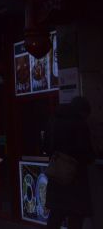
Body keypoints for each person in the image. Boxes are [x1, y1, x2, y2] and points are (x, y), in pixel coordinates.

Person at [45, 96, 95, 229]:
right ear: (82, 111)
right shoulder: (79, 123)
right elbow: (86, 152)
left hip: (56, 174)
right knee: (76, 215)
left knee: (56, 215)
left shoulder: (53, 120)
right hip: (74, 178)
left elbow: (46, 146)